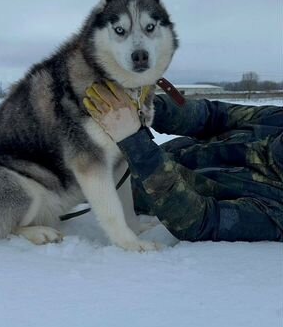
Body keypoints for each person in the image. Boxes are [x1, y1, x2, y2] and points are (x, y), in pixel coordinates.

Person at [83, 82, 283, 242]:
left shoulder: (278, 212)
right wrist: (145, 106)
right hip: (129, 150)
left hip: (126, 189)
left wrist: (134, 140)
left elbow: (200, 222)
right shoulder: (277, 119)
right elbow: (211, 115)